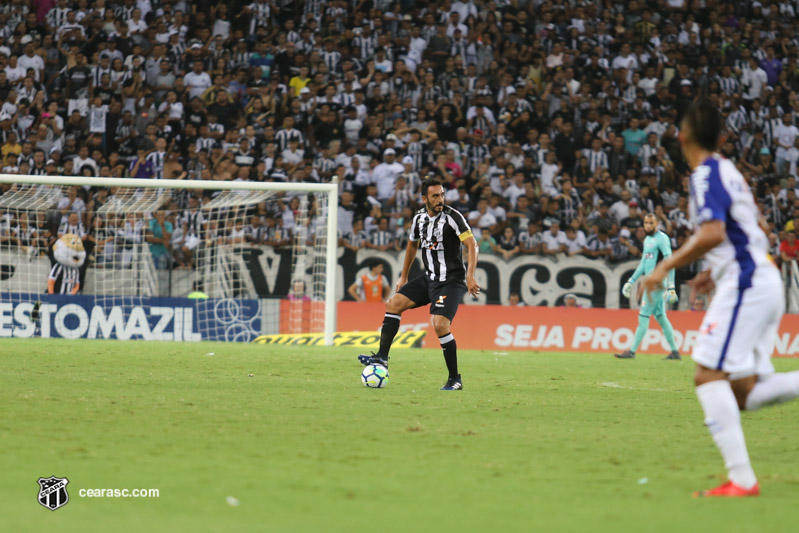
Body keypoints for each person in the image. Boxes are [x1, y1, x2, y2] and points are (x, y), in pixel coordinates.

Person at [643, 99, 799, 497]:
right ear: (723, 137)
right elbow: (754, 225)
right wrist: (717, 269)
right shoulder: (729, 171)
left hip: (748, 283)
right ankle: (742, 480)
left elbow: (712, 233)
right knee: (743, 391)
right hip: (758, 278)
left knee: (708, 375)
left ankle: (742, 481)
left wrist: (664, 267)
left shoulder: (703, 176)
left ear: (681, 136)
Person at [358, 179, 480, 390]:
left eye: (442, 194)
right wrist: (403, 276)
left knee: (440, 325)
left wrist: (470, 276)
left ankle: (455, 379)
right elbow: (412, 245)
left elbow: (472, 245)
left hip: (450, 281)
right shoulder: (419, 219)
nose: (440, 199)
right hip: (429, 278)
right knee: (393, 304)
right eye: (435, 196)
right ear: (425, 199)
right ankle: (382, 358)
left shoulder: (453, 218)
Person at [615, 213, 681, 360]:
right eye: (646, 223)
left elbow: (670, 261)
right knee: (661, 317)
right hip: (650, 282)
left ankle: (631, 351)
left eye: (651, 223)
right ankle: (675, 352)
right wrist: (631, 281)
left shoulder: (662, 238)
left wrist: (671, 286)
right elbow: (644, 264)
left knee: (643, 314)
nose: (648, 226)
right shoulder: (648, 240)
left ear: (657, 224)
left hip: (657, 283)